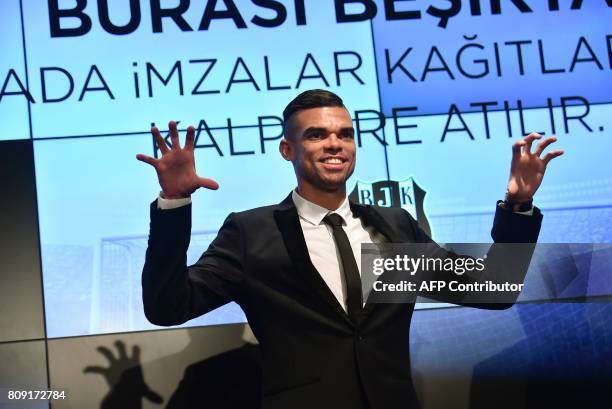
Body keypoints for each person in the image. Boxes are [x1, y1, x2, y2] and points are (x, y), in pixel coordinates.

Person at [136, 89, 563, 409]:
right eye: (317, 135)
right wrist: (174, 205)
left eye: (345, 134)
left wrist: (518, 206)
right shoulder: (252, 232)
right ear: (288, 149)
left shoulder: (393, 226)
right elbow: (168, 306)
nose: (334, 144)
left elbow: (494, 289)